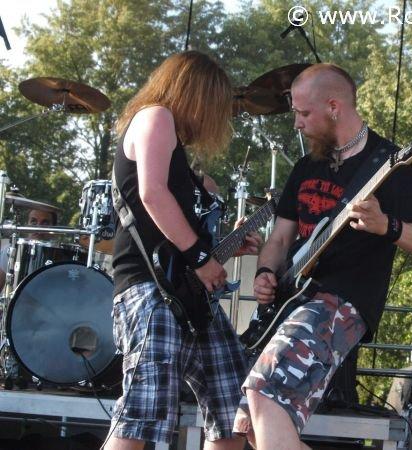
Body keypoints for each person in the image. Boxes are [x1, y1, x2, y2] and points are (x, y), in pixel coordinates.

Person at [233, 64, 412, 450]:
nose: (296, 123)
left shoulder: (392, 166)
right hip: (294, 300)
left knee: (265, 391)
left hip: (343, 302)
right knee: (250, 423)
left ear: (334, 107)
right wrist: (265, 271)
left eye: (303, 112)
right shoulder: (306, 166)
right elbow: (280, 238)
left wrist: (387, 226)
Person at [104, 51, 260, 450]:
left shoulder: (179, 156)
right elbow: (152, 195)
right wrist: (203, 259)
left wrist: (224, 249)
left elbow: (175, 234)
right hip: (149, 290)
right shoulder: (155, 117)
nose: (216, 117)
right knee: (143, 414)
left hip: (186, 295)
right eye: (215, 104)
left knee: (234, 408)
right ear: (197, 94)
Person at [0, 208, 57, 289]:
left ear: (54, 228)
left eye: (45, 223)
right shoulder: (11, 250)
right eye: (33, 222)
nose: (38, 227)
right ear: (27, 224)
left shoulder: (61, 256)